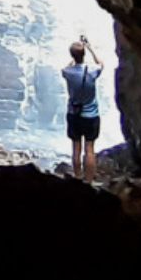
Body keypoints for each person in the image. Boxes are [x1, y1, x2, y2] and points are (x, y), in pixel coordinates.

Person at [63, 35, 105, 182]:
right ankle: (88, 181)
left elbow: (68, 66)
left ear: (72, 55)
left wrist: (76, 56)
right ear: (84, 54)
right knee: (89, 149)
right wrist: (89, 47)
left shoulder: (67, 72)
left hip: (74, 114)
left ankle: (77, 177)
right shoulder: (92, 72)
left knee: (76, 148)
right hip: (91, 115)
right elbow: (101, 63)